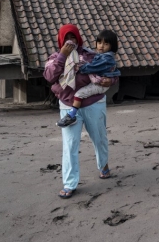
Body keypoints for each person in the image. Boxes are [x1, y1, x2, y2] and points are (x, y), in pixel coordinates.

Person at [43, 24, 117, 199]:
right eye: (67, 38)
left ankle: (103, 165)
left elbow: (110, 70)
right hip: (69, 106)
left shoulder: (91, 55)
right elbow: (49, 76)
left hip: (93, 103)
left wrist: (111, 81)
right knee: (70, 146)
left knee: (99, 138)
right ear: (61, 40)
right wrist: (63, 55)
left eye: (73, 37)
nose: (71, 41)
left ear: (79, 38)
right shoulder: (54, 58)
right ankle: (70, 183)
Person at [57, 29, 120, 127]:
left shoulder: (106, 58)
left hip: (100, 86)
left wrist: (80, 67)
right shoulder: (99, 55)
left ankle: (71, 115)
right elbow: (50, 76)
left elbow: (93, 67)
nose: (101, 46)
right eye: (99, 42)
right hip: (66, 101)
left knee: (79, 94)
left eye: (106, 44)